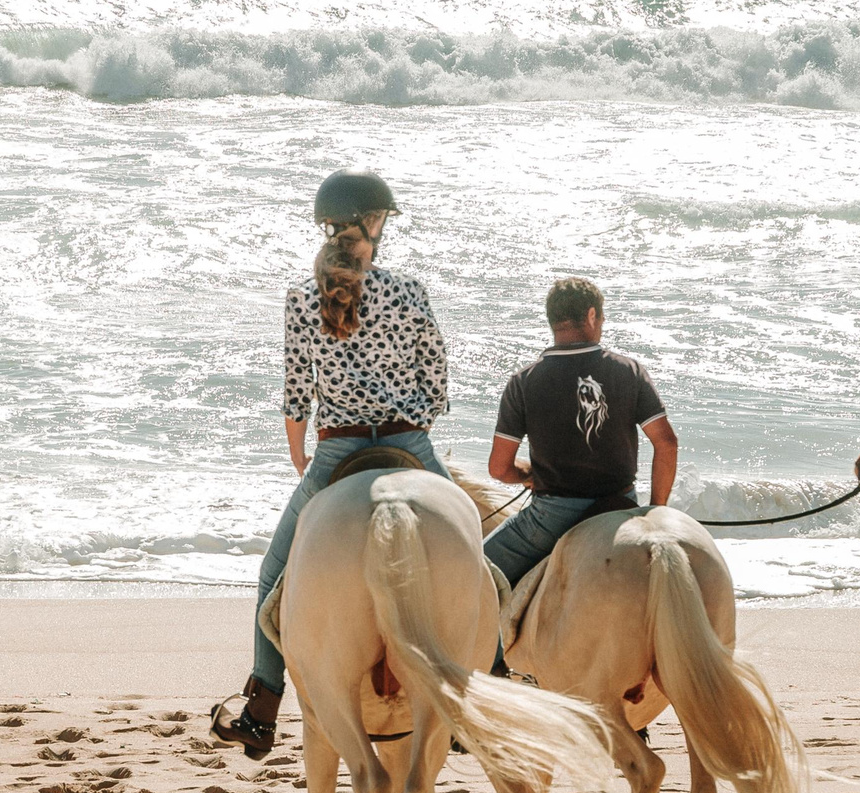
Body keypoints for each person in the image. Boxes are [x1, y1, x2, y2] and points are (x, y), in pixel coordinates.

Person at [208, 169, 449, 760]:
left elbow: (296, 393)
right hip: (410, 444)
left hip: (338, 448)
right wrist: (413, 420)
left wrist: (301, 455)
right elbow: (437, 382)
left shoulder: (300, 298)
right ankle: (490, 681)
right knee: (481, 555)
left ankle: (263, 709)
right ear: (373, 223)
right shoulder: (409, 291)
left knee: (273, 573)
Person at [484, 277, 679, 593]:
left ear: (552, 320)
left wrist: (528, 474)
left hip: (551, 519)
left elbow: (499, 468)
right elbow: (666, 443)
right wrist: (654, 511)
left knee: (474, 576)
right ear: (591, 315)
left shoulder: (523, 382)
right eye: (602, 316)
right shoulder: (629, 371)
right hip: (621, 510)